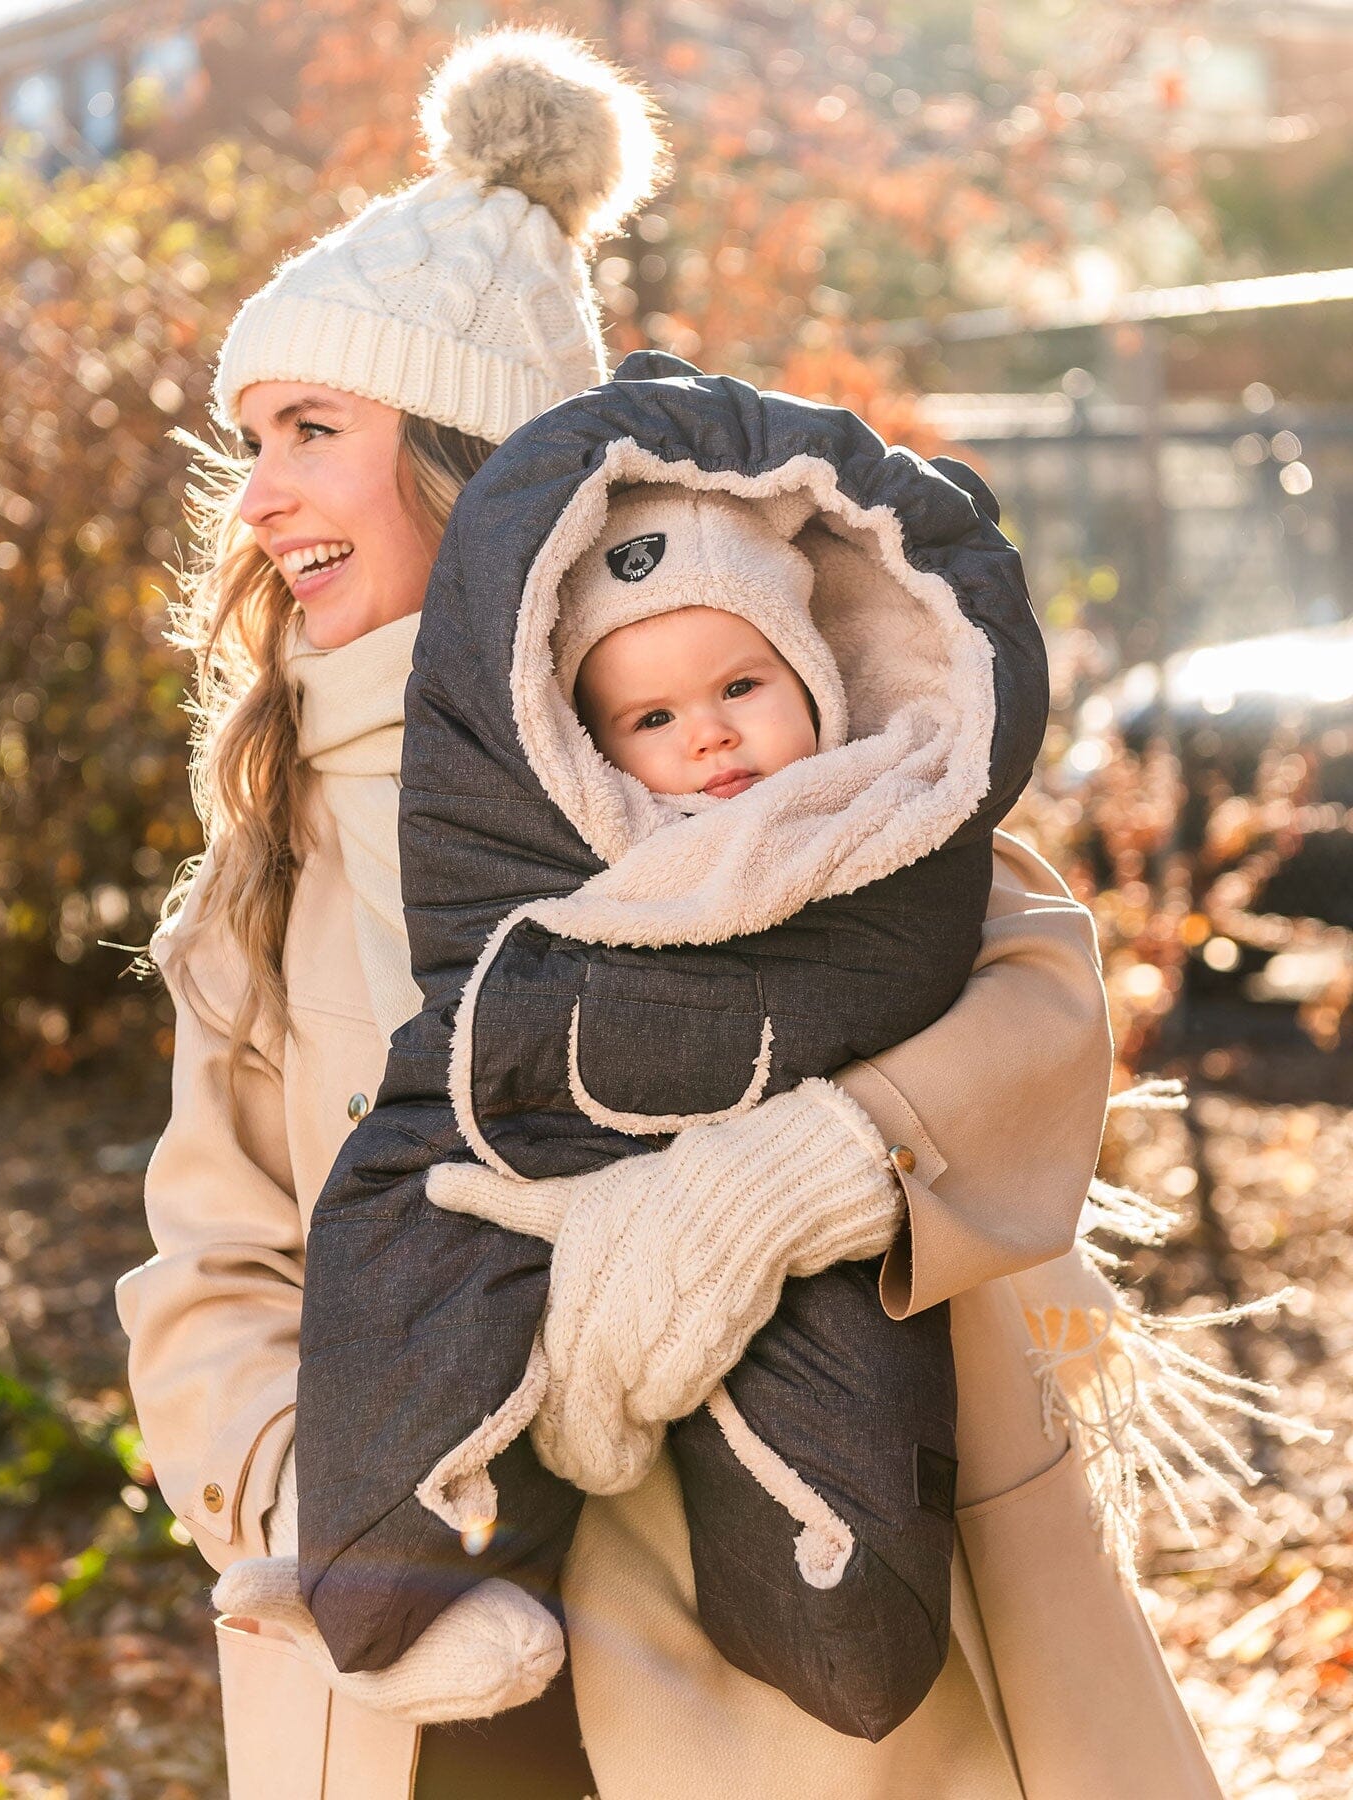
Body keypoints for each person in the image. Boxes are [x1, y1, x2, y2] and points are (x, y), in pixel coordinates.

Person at [115, 25, 1231, 1800]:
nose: (257, 497)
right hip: (438, 1693)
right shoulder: (277, 836)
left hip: (798, 1658)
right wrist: (322, 1496)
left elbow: (1032, 983)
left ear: (472, 468)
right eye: (253, 440)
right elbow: (210, 1259)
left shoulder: (696, 728)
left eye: (312, 431)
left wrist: (818, 1167)